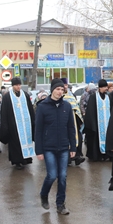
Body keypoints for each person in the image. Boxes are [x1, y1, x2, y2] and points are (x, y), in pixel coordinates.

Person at [36, 78, 77, 215]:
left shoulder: (66, 106)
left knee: (63, 176)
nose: (60, 92)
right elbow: (38, 130)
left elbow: (71, 128)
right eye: (57, 89)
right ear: (52, 90)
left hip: (64, 147)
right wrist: (39, 151)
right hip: (49, 148)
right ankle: (44, 194)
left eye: (62, 89)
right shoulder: (42, 106)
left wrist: (73, 147)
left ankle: (60, 204)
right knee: (52, 175)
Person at [0, 77, 36, 170]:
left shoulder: (25, 95)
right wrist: (5, 126)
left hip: (26, 124)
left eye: (19, 85)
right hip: (13, 125)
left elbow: (30, 109)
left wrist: (33, 121)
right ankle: (17, 161)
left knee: (26, 141)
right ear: (13, 86)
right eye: (16, 85)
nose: (18, 87)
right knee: (16, 144)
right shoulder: (7, 97)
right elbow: (4, 112)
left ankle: (26, 159)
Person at [84, 79, 111, 162]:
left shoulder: (107, 97)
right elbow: (90, 111)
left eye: (106, 87)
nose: (106, 88)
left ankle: (106, 155)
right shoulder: (93, 97)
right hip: (97, 124)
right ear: (100, 87)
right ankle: (97, 156)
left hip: (107, 124)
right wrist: (93, 124)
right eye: (104, 87)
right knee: (96, 140)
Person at [62, 78, 86, 165]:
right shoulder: (58, 96)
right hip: (63, 121)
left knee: (78, 138)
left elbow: (76, 107)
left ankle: (77, 156)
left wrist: (79, 121)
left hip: (74, 120)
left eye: (66, 85)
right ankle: (68, 158)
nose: (65, 87)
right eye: (63, 85)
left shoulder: (71, 95)